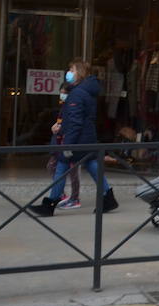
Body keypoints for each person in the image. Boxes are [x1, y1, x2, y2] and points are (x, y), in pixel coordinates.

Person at [30, 60, 116, 216]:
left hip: (77, 140)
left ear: (79, 73)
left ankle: (50, 204)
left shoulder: (77, 94)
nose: (68, 72)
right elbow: (78, 119)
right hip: (86, 138)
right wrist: (62, 128)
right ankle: (108, 197)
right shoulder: (86, 91)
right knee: (91, 165)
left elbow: (75, 122)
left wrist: (66, 143)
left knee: (62, 167)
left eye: (72, 69)